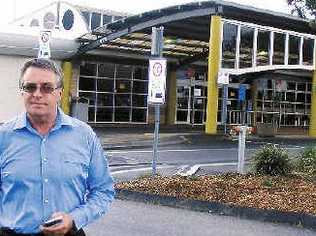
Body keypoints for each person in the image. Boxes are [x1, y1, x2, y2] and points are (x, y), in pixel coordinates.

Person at [0, 58, 115, 236]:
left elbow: (103, 190)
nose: (37, 94)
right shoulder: (3, 136)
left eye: (47, 87)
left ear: (60, 93)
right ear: (22, 91)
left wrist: (74, 219)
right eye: (30, 87)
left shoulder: (84, 135)